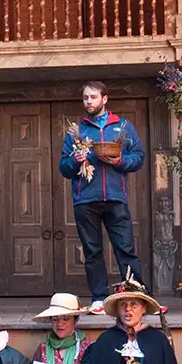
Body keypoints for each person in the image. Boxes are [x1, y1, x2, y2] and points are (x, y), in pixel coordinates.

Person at [58, 81, 146, 314]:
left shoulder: (123, 126)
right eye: (86, 98)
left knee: (125, 249)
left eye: (93, 97)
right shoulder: (77, 132)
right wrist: (74, 161)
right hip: (85, 200)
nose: (89, 102)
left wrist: (120, 161)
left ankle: (137, 295)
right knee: (92, 251)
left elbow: (138, 157)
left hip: (116, 198)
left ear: (104, 99)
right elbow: (63, 168)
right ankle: (99, 297)